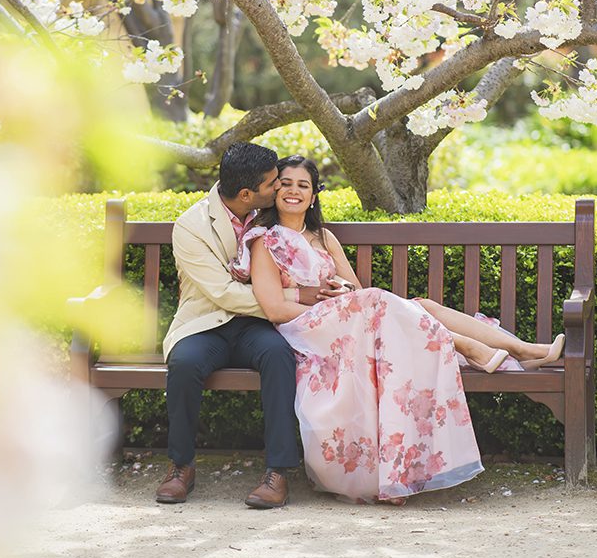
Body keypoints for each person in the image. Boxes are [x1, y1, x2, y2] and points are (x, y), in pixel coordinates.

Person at [231, 155, 565, 504]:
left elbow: (355, 290)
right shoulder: (264, 241)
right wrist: (326, 306)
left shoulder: (324, 237)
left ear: (314, 195)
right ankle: (469, 347)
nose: (294, 192)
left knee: (422, 307)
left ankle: (522, 349)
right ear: (273, 191)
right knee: (383, 301)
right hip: (307, 330)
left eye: (303, 185)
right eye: (285, 184)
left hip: (348, 320)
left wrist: (340, 294)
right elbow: (274, 308)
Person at [156, 143, 340, 510]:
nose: (279, 188)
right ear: (246, 193)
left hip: (254, 325)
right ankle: (181, 466)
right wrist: (293, 296)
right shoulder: (191, 227)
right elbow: (223, 294)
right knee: (185, 364)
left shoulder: (266, 214)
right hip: (206, 322)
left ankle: (278, 472)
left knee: (278, 356)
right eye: (273, 183)